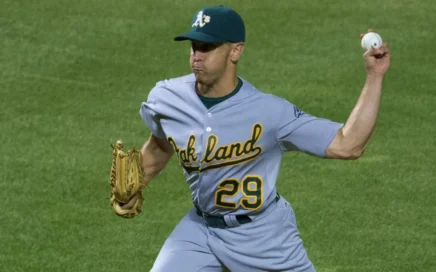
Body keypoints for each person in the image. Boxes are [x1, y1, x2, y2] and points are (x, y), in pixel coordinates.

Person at [125, 5, 390, 272]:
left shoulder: (270, 113)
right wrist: (136, 184)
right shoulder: (167, 98)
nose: (196, 56)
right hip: (200, 231)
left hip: (263, 237)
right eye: (194, 46)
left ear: (236, 51)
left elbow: (349, 144)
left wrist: (374, 76)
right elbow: (160, 146)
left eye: (207, 47)